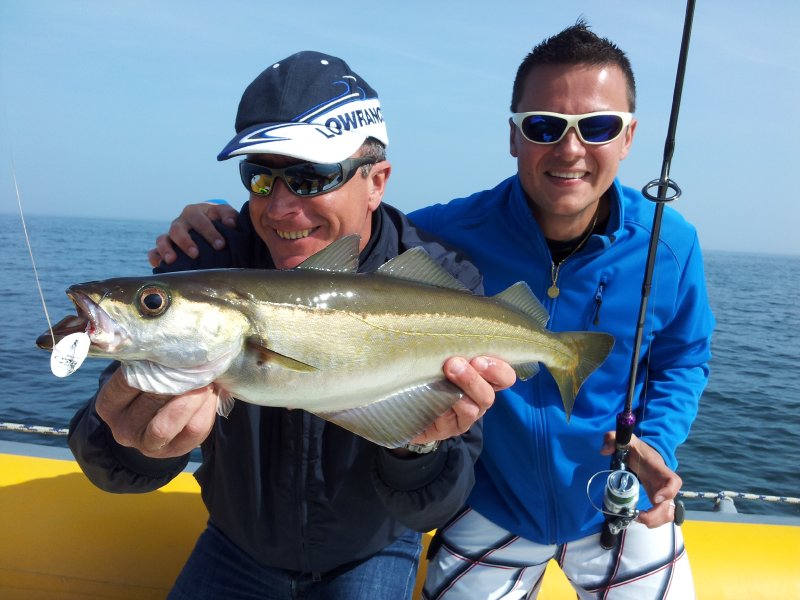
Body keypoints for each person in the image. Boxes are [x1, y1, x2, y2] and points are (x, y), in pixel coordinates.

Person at [151, 23, 715, 599]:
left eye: (597, 127)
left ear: (628, 136)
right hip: (495, 504)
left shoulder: (671, 247)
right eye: (544, 127)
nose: (569, 150)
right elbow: (344, 231)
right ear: (514, 136)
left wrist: (658, 440)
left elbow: (685, 358)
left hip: (618, 496)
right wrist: (222, 220)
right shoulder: (450, 234)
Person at [68, 50, 516, 600]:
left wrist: (414, 449)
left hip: (373, 550)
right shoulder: (198, 264)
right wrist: (130, 441)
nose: (279, 207)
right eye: (259, 177)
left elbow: (436, 505)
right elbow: (109, 463)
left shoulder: (444, 287)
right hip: (236, 546)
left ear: (376, 181)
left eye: (310, 177)